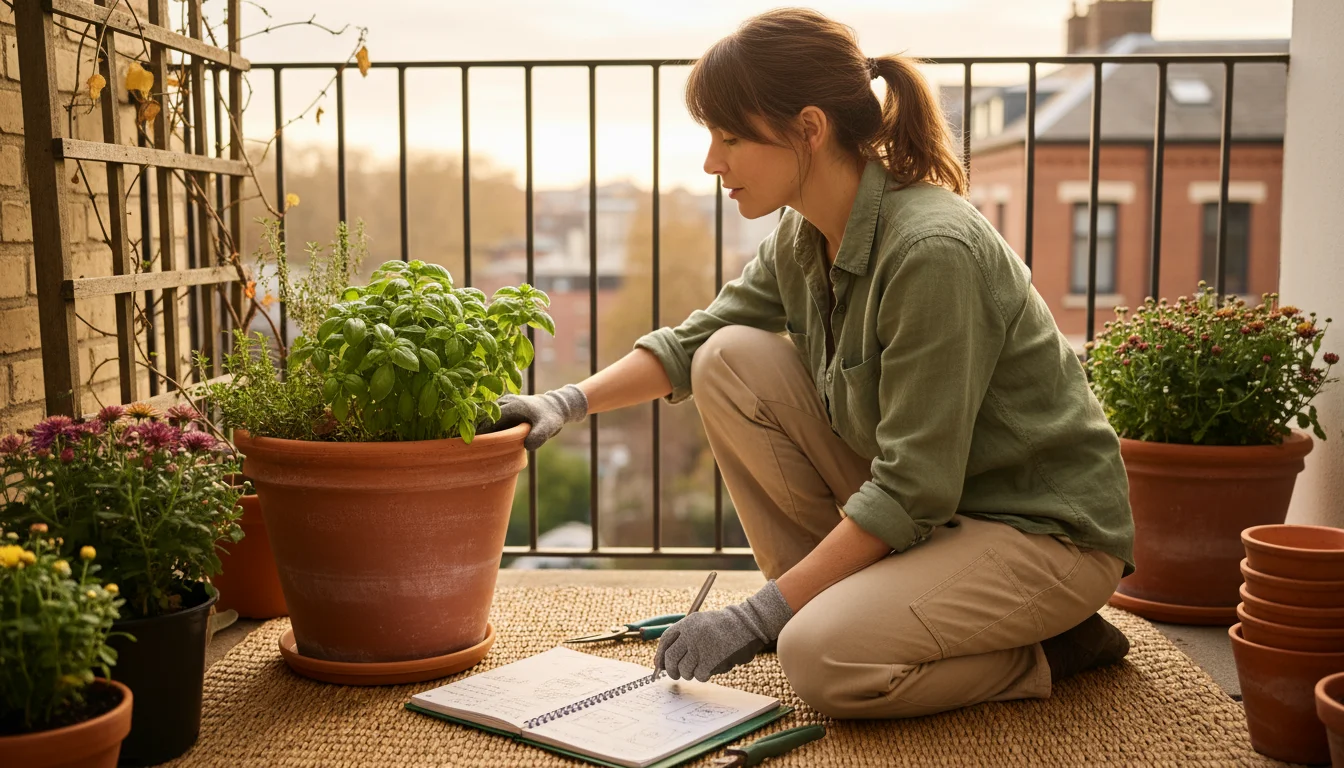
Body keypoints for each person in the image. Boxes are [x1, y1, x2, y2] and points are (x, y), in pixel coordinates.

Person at [484, 7, 1135, 720]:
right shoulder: (804, 236)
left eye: (730, 137)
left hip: (1039, 533)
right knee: (730, 358)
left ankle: (1052, 648)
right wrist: (565, 402)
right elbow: (695, 343)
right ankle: (830, 603)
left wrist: (757, 616)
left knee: (822, 663)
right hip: (938, 513)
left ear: (810, 128)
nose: (711, 162)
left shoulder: (930, 252)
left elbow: (914, 489)